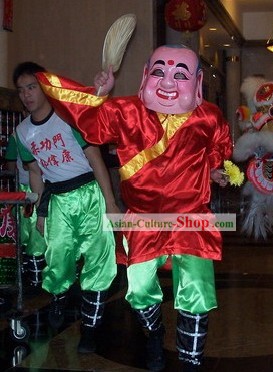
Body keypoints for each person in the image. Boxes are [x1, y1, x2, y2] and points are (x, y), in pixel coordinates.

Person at [35, 45, 233, 371]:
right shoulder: (127, 112)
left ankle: (191, 362)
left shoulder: (208, 116)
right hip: (143, 219)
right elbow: (93, 124)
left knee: (196, 294)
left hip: (192, 218)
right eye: (159, 72)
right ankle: (154, 332)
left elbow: (218, 148)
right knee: (140, 293)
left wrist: (215, 169)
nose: (168, 82)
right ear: (145, 76)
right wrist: (99, 93)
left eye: (180, 74)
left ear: (196, 83)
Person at [13, 61, 118, 354]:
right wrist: (39, 212)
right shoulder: (22, 133)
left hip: (89, 194)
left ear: (45, 86)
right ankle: (59, 299)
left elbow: (96, 159)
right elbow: (35, 173)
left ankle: (90, 330)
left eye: (32, 87)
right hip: (57, 200)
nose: (26, 95)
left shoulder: (69, 118)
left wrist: (110, 202)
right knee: (57, 263)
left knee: (99, 262)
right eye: (21, 90)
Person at [5, 132, 47, 288]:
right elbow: (10, 165)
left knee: (33, 235)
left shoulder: (17, 134)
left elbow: (10, 165)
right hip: (25, 192)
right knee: (27, 234)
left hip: (42, 189)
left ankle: (32, 279)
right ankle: (32, 279)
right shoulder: (17, 135)